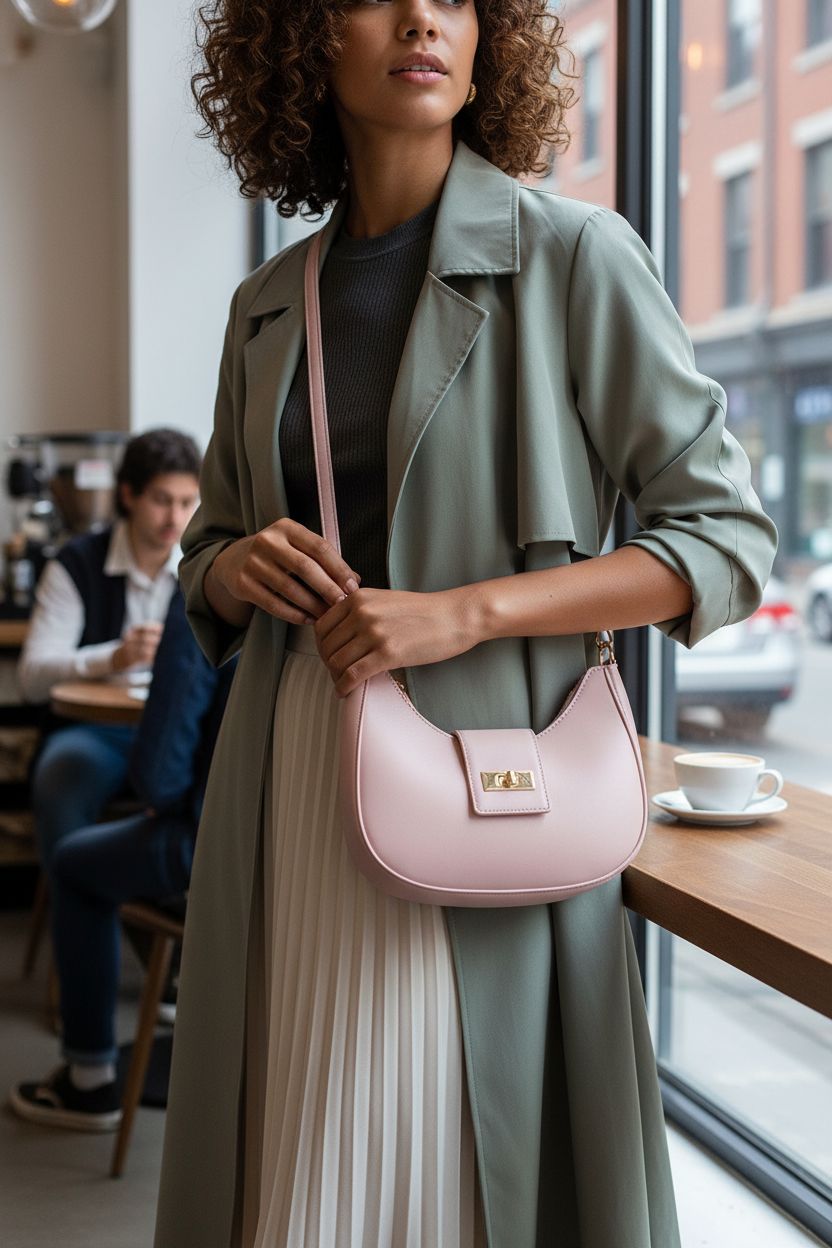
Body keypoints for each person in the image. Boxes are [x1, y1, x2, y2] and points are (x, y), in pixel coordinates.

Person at [154, 3, 779, 1247]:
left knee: (446, 1170)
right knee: (294, 1164)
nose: (423, 19)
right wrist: (237, 570)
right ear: (302, 38)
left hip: (479, 791)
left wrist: (462, 615)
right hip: (288, 796)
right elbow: (207, 548)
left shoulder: (575, 256)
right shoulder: (267, 303)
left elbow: (722, 542)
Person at [8, 588, 237, 1130]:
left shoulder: (209, 590)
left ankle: (89, 1081)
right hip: (312, 844)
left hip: (214, 841)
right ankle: (178, 978)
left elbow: (160, 776)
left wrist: (165, 801)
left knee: (74, 864)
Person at [19, 427, 201, 873]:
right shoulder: (77, 564)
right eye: (161, 500)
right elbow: (31, 678)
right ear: (128, 495)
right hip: (95, 732)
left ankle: (170, 929)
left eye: (187, 502)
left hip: (177, 733)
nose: (174, 519)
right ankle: (81, 905)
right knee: (60, 778)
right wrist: (114, 657)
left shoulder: (200, 569)